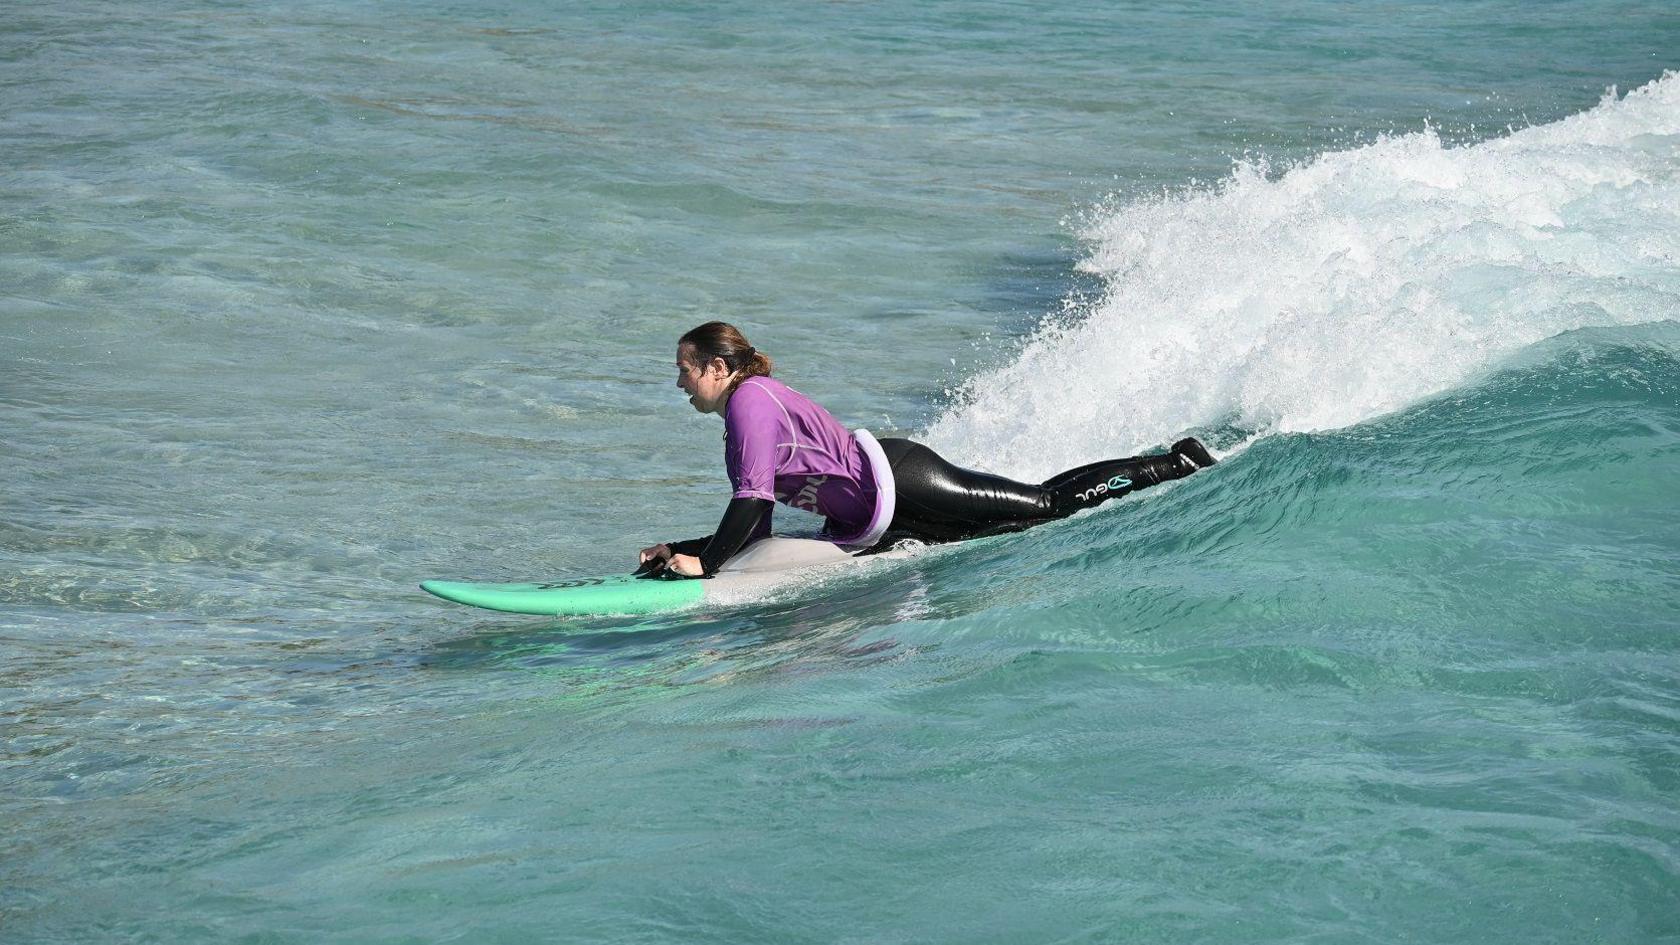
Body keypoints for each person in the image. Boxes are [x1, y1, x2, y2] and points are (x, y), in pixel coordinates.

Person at [638, 322, 1217, 578]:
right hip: (879, 519)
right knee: (1006, 530)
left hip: (902, 478)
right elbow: (756, 522)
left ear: (717, 368)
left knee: (1042, 507)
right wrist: (682, 548)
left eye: (684, 371)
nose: (680, 383)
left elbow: (752, 502)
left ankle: (1176, 463)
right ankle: (1168, 464)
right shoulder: (741, 421)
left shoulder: (751, 402)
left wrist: (709, 564)